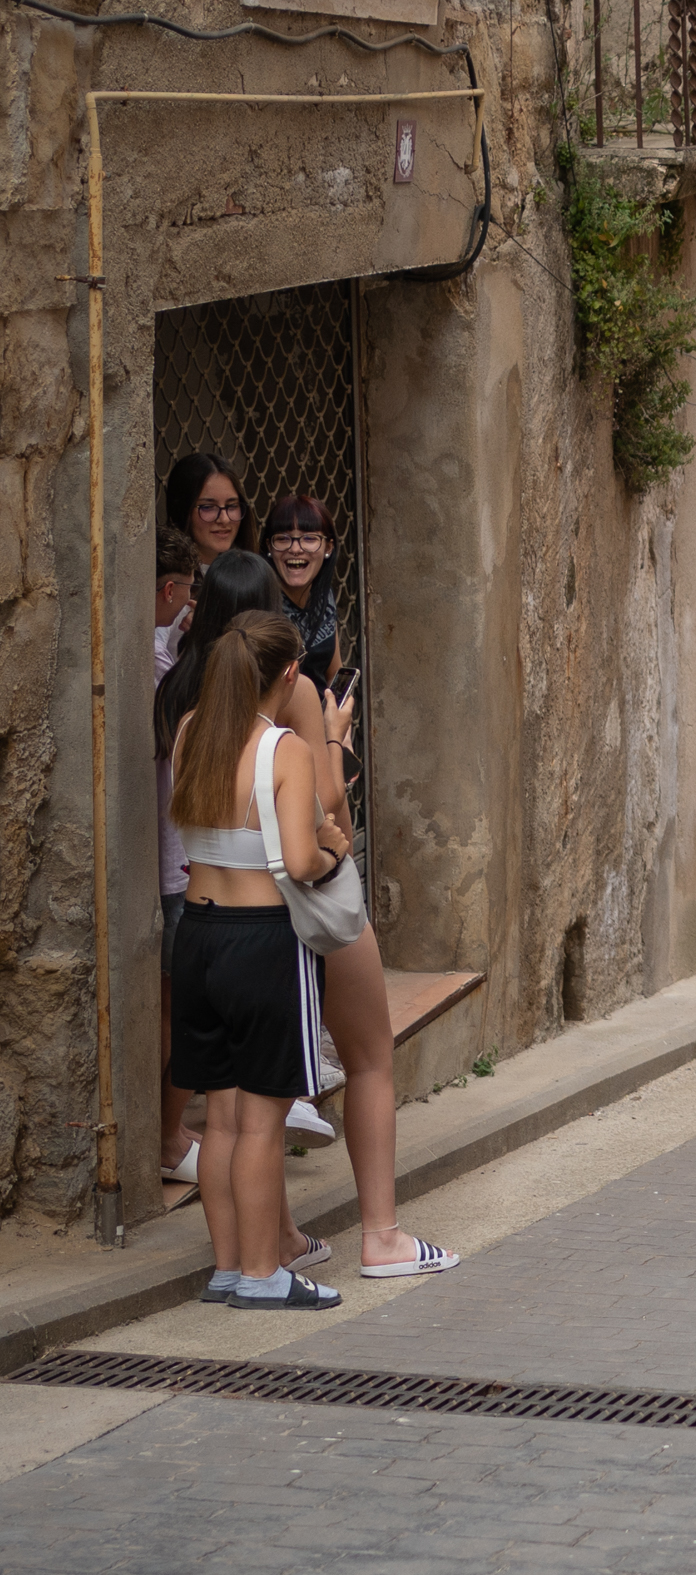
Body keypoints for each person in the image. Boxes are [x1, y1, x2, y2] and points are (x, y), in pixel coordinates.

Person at [156, 553, 459, 1279]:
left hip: (204, 921)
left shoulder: (185, 702)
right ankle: (379, 1236)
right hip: (286, 915)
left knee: (227, 1111)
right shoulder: (289, 702)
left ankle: (255, 1254)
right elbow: (322, 816)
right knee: (363, 1060)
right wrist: (334, 739)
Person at [167, 612, 350, 1309]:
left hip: (198, 935)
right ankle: (262, 1272)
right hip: (264, 941)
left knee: (219, 1117)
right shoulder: (286, 749)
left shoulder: (191, 731)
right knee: (263, 1121)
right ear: (289, 673)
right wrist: (333, 849)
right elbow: (300, 861)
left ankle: (226, 1268)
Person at [154, 529, 200, 1182]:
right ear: (170, 589)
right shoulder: (161, 665)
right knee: (182, 1009)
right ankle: (168, 1137)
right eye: (188, 591)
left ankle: (173, 1131)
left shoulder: (160, 652)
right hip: (177, 864)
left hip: (171, 861)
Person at [262, 493, 339, 689]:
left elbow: (334, 674)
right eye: (283, 538)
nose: (295, 549)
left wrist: (341, 703)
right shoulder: (259, 601)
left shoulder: (324, 595)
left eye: (309, 538)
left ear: (328, 547)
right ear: (269, 546)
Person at [162, 453, 257, 573]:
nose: (224, 519)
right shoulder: (166, 578)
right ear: (182, 510)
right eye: (208, 507)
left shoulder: (253, 573)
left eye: (232, 506)